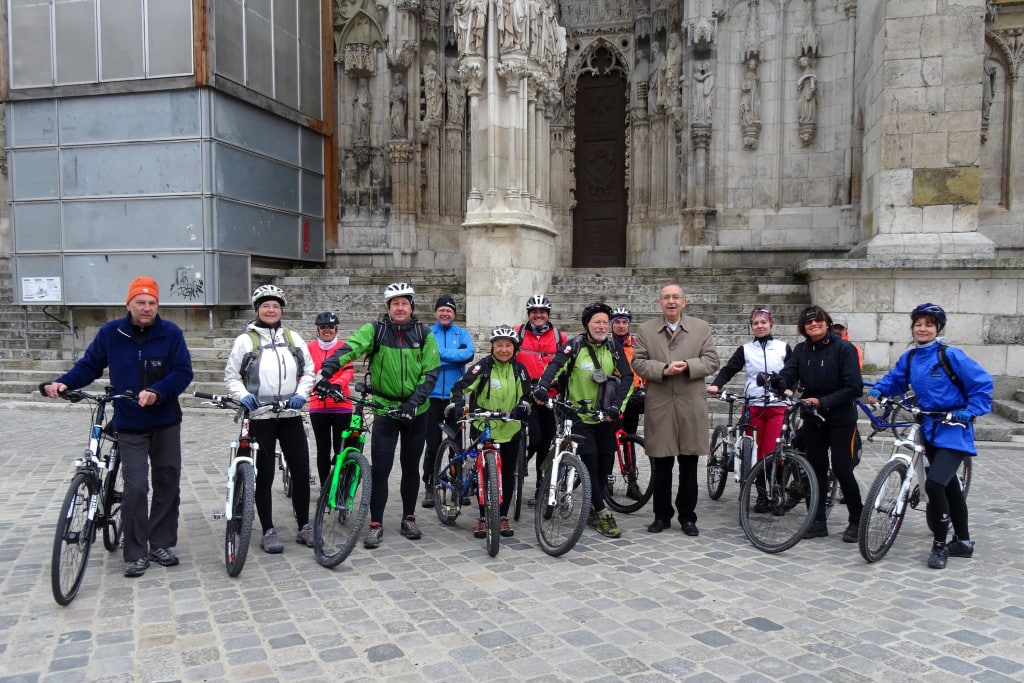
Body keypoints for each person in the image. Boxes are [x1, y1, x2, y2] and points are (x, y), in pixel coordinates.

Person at [42, 277, 193, 578]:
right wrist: (64, 382)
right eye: (141, 302)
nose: (147, 308)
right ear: (129, 304)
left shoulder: (170, 333)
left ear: (157, 306)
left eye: (152, 303)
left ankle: (160, 543)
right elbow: (89, 365)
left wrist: (159, 391)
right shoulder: (112, 332)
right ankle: (135, 552)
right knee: (136, 487)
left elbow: (182, 372)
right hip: (129, 422)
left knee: (167, 481)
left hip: (165, 421)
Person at [866, 303, 992, 569]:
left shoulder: (950, 355)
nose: (923, 329)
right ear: (912, 328)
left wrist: (969, 411)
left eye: (929, 325)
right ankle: (964, 542)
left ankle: (939, 545)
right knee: (950, 486)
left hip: (954, 429)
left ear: (938, 329)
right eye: (918, 324)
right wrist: (879, 389)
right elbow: (895, 379)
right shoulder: (911, 357)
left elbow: (982, 385)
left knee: (934, 485)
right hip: (929, 426)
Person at [317, 282, 440, 548]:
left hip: (416, 412)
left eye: (404, 303)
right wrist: (326, 371)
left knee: (410, 467)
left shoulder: (424, 333)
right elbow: (350, 348)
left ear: (411, 307)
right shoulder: (376, 330)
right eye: (394, 303)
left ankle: (409, 518)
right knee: (381, 470)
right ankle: (375, 523)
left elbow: (431, 372)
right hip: (384, 407)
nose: (399, 307)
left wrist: (414, 402)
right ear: (388, 307)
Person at [225, 285, 315, 554]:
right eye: (265, 306)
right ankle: (268, 530)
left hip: (290, 414)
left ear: (281, 310)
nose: (271, 310)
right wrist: (243, 396)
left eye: (275, 306)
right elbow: (231, 376)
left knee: (300, 472)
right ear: (257, 310)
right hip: (261, 415)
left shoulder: (293, 338)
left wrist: (301, 393)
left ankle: (304, 526)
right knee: (263, 476)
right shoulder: (245, 341)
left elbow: (309, 370)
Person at [533, 302, 634, 538]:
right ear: (587, 325)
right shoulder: (574, 346)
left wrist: (616, 406)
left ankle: (591, 506)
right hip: (578, 416)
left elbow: (627, 377)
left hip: (604, 416)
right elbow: (555, 366)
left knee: (604, 463)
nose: (601, 326)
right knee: (589, 462)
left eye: (604, 323)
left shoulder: (613, 348)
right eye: (596, 322)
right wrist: (542, 387)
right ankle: (601, 512)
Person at [632, 284, 719, 536]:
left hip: (690, 405)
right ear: (659, 303)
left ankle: (688, 516)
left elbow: (712, 360)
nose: (671, 301)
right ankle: (661, 516)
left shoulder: (700, 328)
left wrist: (689, 365)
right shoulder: (646, 329)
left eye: (675, 297)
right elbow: (637, 361)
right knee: (661, 465)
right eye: (666, 298)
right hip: (660, 404)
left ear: (684, 302)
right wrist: (663, 370)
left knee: (689, 465)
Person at [774, 305, 863, 542]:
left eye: (818, 321)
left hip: (841, 418)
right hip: (813, 419)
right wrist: (778, 381)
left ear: (826, 322)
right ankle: (818, 520)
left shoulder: (844, 348)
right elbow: (789, 372)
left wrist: (822, 401)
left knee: (843, 469)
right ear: (803, 327)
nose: (814, 325)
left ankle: (857, 519)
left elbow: (854, 387)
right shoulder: (801, 350)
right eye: (808, 322)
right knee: (816, 471)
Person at [447, 325, 532, 538]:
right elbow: (460, 387)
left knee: (509, 474)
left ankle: (502, 516)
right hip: (483, 425)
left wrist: (522, 405)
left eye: (508, 346)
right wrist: (458, 404)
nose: (503, 349)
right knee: (483, 472)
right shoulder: (482, 367)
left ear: (515, 348)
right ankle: (484, 517)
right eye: (499, 345)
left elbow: (527, 395)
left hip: (510, 427)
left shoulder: (519, 370)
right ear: (492, 347)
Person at [707, 308, 791, 510]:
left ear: (771, 324)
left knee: (773, 452)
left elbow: (792, 372)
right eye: (756, 323)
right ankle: (762, 496)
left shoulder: (783, 347)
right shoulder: (745, 349)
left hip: (776, 405)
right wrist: (717, 385)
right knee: (754, 452)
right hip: (753, 405)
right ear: (751, 326)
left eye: (763, 322)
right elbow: (729, 369)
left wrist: (790, 389)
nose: (760, 326)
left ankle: (777, 494)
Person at [515, 294, 568, 507]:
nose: (538, 315)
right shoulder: (518, 332)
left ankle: (540, 487)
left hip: (550, 394)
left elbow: (565, 364)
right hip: (526, 393)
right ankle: (518, 464)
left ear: (548, 315)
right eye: (534, 312)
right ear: (529, 314)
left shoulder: (559, 337)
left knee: (546, 443)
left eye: (542, 312)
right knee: (535, 439)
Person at [422, 295, 474, 508]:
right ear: (436, 313)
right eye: (441, 310)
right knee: (432, 444)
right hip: (432, 396)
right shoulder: (427, 333)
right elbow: (425, 358)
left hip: (455, 397)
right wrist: (454, 357)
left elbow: (468, 354)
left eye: (449, 311)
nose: (445, 313)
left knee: (458, 445)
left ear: (454, 314)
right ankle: (430, 484)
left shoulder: (462, 333)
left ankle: (457, 484)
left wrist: (439, 356)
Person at [306, 312, 354, 488]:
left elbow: (349, 371)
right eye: (323, 327)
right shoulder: (309, 347)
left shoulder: (343, 346)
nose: (327, 330)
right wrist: (318, 385)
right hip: (318, 405)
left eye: (331, 327)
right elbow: (305, 373)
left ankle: (340, 486)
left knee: (341, 449)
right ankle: (326, 486)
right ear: (317, 330)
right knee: (323, 449)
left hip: (341, 405)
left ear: (336, 329)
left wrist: (337, 385)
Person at [610, 307, 645, 437]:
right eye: (617, 322)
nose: (621, 326)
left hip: (632, 396)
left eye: (624, 322)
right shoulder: (604, 345)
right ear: (611, 324)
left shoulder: (637, 346)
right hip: (611, 396)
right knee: (610, 437)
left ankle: (631, 457)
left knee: (630, 437)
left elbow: (644, 369)